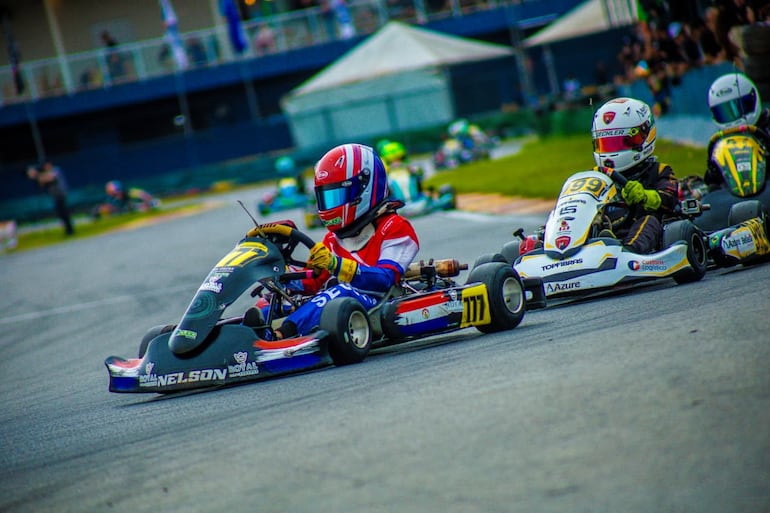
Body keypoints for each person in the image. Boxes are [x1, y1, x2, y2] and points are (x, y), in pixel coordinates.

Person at [253, 143, 420, 339]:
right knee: (269, 303)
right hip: (340, 305)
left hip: (379, 302)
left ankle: (281, 336)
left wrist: (335, 264)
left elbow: (383, 280)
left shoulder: (395, 227)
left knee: (341, 292)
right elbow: (314, 282)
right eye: (327, 198)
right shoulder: (332, 239)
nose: (331, 206)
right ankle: (243, 338)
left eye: (337, 196)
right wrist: (280, 276)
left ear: (362, 190)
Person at [591, 97, 679, 254]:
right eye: (607, 143)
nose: (612, 151)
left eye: (620, 142)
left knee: (649, 220)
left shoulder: (659, 171)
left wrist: (644, 196)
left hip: (641, 229)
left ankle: (628, 252)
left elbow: (669, 198)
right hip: (606, 229)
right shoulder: (596, 178)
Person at [704, 72, 770, 188]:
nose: (734, 118)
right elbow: (712, 181)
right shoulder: (720, 144)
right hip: (736, 197)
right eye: (725, 112)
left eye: (740, 107)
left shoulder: (767, 127)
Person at [26, 160, 75, 236]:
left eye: (47, 165)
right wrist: (36, 176)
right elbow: (41, 184)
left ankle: (70, 230)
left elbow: (50, 178)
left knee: (64, 212)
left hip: (61, 194)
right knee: (60, 213)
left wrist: (37, 174)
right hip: (55, 196)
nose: (46, 167)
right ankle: (68, 229)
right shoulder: (44, 173)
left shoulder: (56, 170)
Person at [94, 180, 159, 218]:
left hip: (138, 206)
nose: (117, 194)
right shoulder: (110, 199)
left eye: (117, 191)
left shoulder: (129, 192)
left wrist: (146, 205)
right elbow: (109, 208)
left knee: (154, 203)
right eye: (113, 193)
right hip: (122, 210)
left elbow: (146, 196)